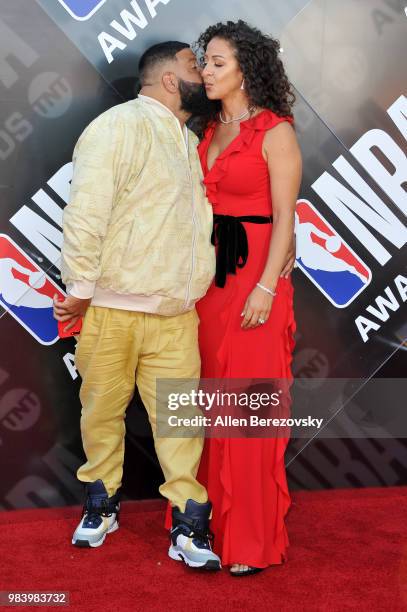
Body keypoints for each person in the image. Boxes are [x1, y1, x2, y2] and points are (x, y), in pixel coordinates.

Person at [53, 41, 222, 570]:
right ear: (171, 78)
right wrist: (80, 287)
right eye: (196, 66)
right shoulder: (115, 127)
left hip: (176, 314)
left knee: (180, 422)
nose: (205, 75)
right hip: (111, 310)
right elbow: (86, 212)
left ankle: (188, 523)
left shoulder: (189, 137)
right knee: (100, 412)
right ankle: (101, 503)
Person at [195, 20, 302, 576]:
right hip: (207, 284)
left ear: (246, 69)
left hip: (255, 279)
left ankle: (251, 540)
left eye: (216, 62)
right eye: (204, 61)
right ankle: (204, 527)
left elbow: (287, 216)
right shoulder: (206, 130)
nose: (206, 71)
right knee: (210, 402)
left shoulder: (275, 131)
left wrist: (266, 285)